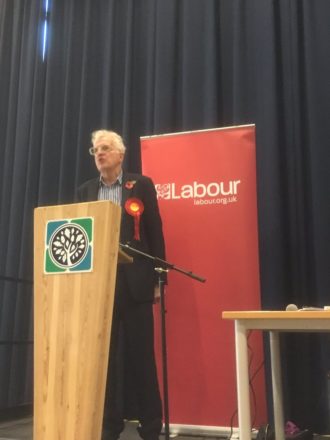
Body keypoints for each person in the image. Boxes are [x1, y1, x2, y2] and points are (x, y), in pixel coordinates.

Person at [76, 129, 165, 440]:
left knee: (142, 357)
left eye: (104, 148)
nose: (99, 153)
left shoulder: (139, 184)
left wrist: (158, 277)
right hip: (98, 288)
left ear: (120, 155)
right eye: (95, 149)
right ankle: (108, 426)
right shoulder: (86, 190)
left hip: (136, 284)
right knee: (105, 361)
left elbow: (154, 230)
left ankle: (151, 426)